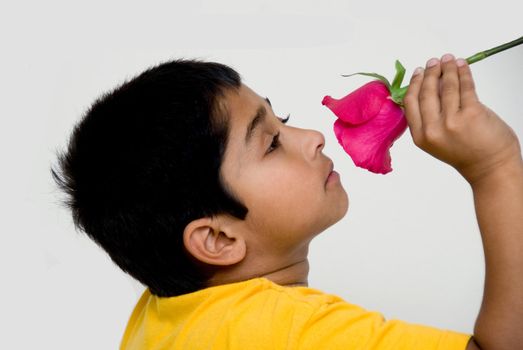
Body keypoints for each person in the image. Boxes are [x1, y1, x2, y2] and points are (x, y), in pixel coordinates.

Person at [51, 54, 523, 349]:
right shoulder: (288, 332)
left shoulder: (162, 316)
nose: (314, 137)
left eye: (284, 119)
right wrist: (496, 169)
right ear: (216, 238)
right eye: (271, 143)